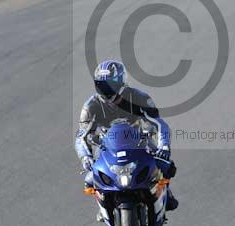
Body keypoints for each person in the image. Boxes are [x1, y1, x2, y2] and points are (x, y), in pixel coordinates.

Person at [75, 60, 178, 212]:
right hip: (107, 145)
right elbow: (81, 137)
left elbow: (159, 124)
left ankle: (166, 193)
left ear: (122, 82)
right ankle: (103, 206)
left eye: (111, 84)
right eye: (102, 85)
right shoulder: (90, 107)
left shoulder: (140, 98)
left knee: (164, 164)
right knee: (90, 180)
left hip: (139, 140)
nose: (107, 90)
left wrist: (164, 146)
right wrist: (86, 157)